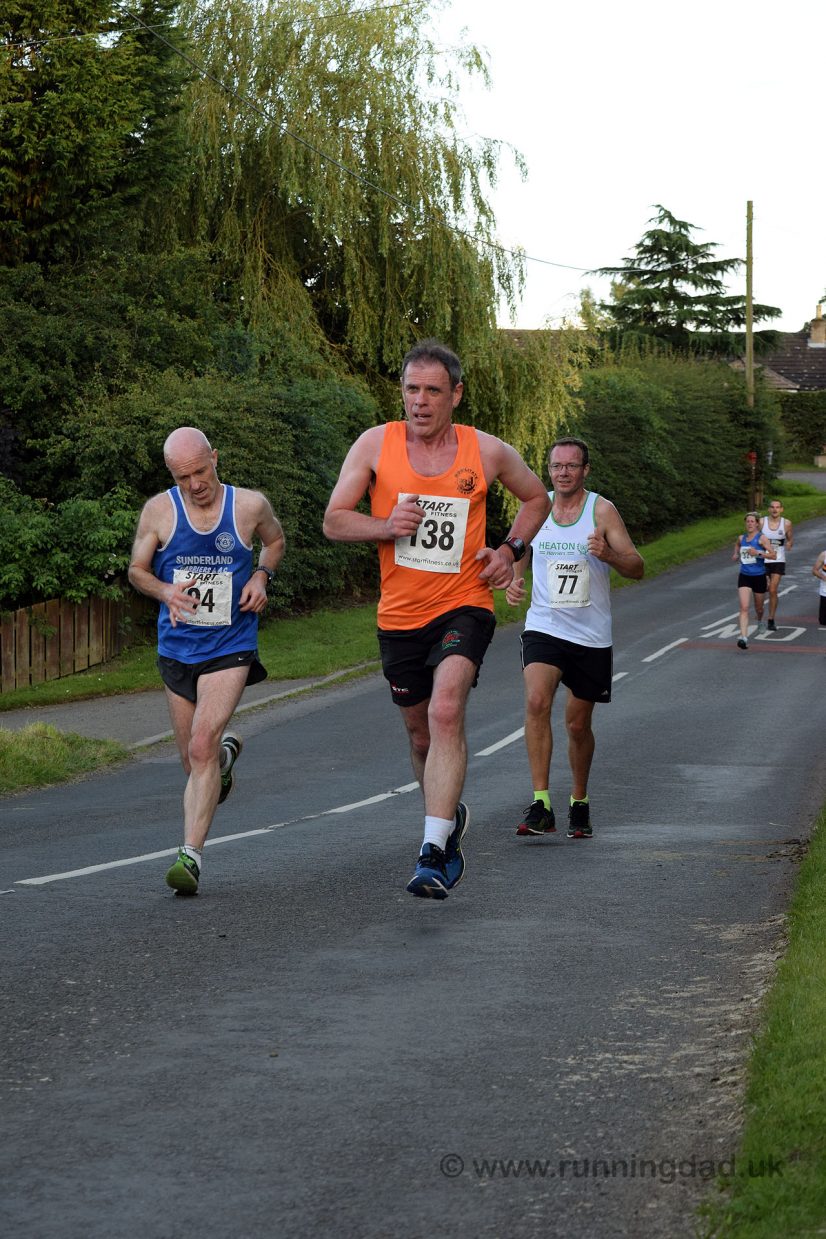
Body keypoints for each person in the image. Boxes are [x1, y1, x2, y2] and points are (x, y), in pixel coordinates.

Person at [322, 339, 550, 900]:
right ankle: (445, 818)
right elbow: (333, 521)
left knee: (447, 708)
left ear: (456, 395)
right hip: (399, 614)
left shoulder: (486, 451)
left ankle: (431, 852)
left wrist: (509, 550)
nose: (419, 402)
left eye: (432, 391)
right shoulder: (376, 444)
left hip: (464, 603)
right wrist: (385, 525)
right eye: (411, 389)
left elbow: (536, 499)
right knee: (420, 733)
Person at [128, 427, 285, 895]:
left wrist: (261, 576)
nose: (194, 483)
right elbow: (136, 570)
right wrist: (164, 590)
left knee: (200, 746)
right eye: (183, 477)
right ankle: (225, 756)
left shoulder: (249, 506)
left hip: (230, 644)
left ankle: (189, 858)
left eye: (200, 471)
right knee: (193, 759)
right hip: (177, 648)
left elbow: (274, 543)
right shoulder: (158, 511)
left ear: (215, 458)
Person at [506, 437, 644, 841]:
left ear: (585, 470)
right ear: (548, 470)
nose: (562, 472)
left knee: (577, 724)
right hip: (545, 625)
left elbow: (637, 567)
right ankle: (541, 803)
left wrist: (609, 555)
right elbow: (519, 547)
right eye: (556, 466)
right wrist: (515, 578)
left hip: (591, 634)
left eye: (571, 466)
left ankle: (579, 801)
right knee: (536, 701)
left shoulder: (602, 510)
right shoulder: (536, 505)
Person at [732, 511, 775, 650]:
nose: (749, 524)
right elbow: (737, 545)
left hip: (759, 576)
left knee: (759, 607)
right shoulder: (741, 537)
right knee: (744, 607)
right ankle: (743, 637)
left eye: (752, 521)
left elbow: (773, 555)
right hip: (744, 576)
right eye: (747, 521)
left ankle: (760, 619)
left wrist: (758, 553)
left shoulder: (762, 538)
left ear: (757, 524)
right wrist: (735, 554)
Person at [761, 499, 793, 630]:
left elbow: (790, 538)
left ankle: (771, 619)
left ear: (781, 509)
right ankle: (760, 614)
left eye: (777, 507)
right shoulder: (762, 522)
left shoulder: (786, 523)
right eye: (772, 507)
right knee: (764, 589)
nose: (775, 509)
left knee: (773, 590)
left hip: (778, 560)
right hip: (763, 559)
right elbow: (754, 537)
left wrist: (789, 544)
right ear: (769, 509)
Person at [811, 548, 826, 627]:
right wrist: (823, 577)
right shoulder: (824, 555)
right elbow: (814, 570)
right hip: (825, 592)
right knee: (823, 621)